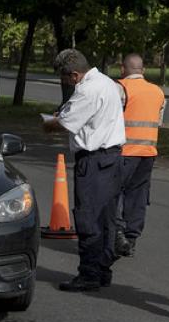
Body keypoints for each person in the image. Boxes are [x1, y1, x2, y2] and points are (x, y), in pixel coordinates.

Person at [43, 49, 126, 291]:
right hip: (112, 157)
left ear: (75, 75)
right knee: (107, 219)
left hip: (93, 161)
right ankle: (102, 270)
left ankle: (89, 273)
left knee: (88, 218)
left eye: (66, 77)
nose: (65, 82)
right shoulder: (107, 83)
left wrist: (48, 123)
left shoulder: (86, 90)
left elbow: (66, 124)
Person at [114, 53, 166, 258]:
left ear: (122, 69)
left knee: (115, 193)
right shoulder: (158, 92)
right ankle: (132, 238)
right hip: (148, 153)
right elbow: (159, 121)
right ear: (143, 70)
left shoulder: (120, 88)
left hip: (123, 151)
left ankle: (117, 233)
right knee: (138, 196)